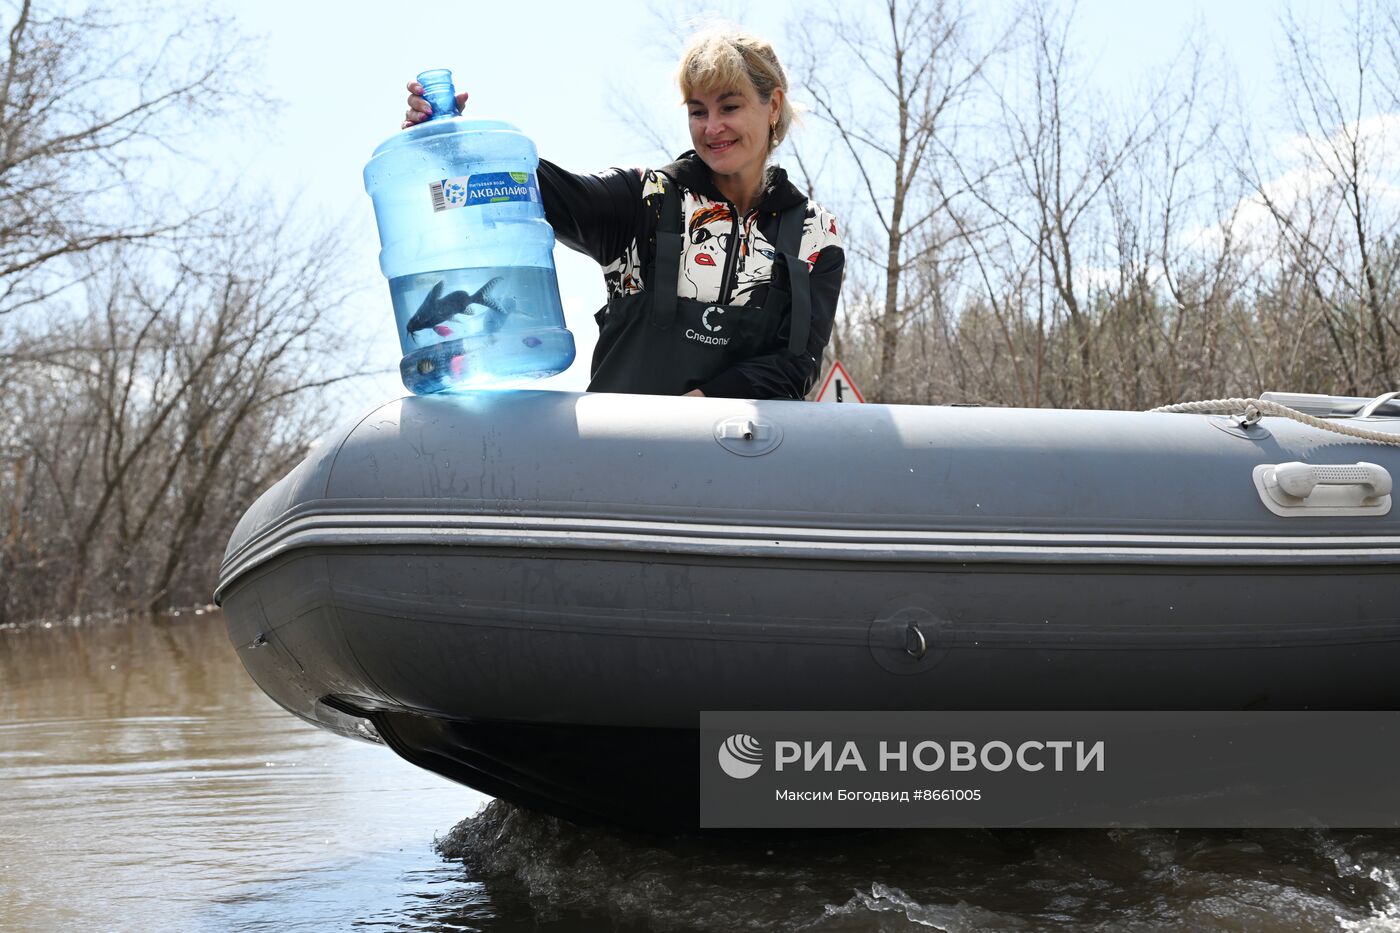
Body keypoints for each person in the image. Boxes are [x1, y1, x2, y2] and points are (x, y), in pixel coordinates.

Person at [402, 27, 845, 399]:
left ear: (772, 105)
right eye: (698, 111)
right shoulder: (644, 200)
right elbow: (541, 190)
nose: (712, 128)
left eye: (730, 107)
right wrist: (460, 144)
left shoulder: (813, 236)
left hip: (737, 481)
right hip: (615, 476)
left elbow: (797, 365)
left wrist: (703, 409)